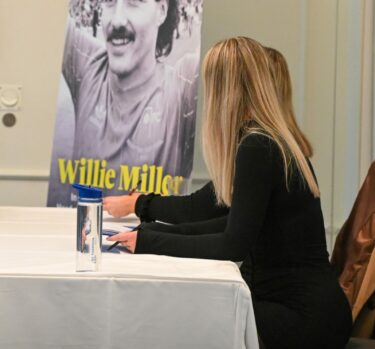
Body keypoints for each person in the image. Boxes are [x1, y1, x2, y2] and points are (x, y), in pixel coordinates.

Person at [107, 38, 352, 349]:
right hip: (311, 310)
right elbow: (219, 217)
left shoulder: (257, 147)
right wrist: (151, 232)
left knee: (190, 319)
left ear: (224, 89)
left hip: (303, 318)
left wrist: (150, 240)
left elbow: (232, 243)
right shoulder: (266, 140)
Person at [52, 0, 199, 204]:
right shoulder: (87, 68)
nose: (117, 19)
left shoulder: (183, 90)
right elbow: (44, 1)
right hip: (85, 237)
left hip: (152, 243)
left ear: (162, 10)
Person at [104, 44, 312, 219]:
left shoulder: (258, 146)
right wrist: (143, 209)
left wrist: (141, 210)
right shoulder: (269, 144)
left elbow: (225, 232)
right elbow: (209, 207)